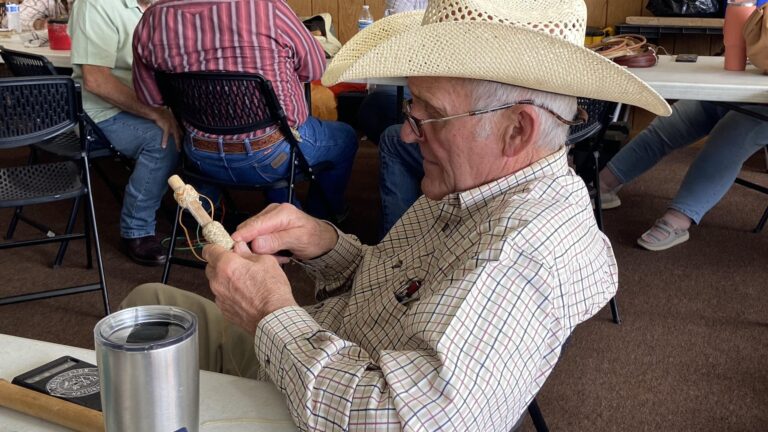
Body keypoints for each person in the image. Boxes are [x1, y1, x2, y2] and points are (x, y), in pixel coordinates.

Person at [122, 0, 671, 429]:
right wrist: (324, 242)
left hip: (322, 406)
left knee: (139, 354)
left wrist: (269, 312)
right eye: (412, 107)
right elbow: (399, 283)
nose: (407, 132)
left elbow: (400, 421)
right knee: (147, 308)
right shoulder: (476, 188)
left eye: (429, 114)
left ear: (517, 130)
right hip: (326, 354)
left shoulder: (522, 254)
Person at [131, 0, 358, 221]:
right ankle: (320, 219)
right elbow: (314, 69)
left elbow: (152, 97)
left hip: (200, 157)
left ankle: (209, 214)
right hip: (274, 156)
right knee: (345, 137)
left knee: (271, 152)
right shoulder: (270, 8)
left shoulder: (153, 18)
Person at [69, 0, 180, 266]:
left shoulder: (164, 6)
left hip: (148, 102)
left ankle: (198, 214)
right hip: (99, 111)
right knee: (163, 141)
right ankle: (137, 231)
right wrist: (156, 114)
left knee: (206, 129)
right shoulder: (95, 5)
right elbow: (96, 80)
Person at [598, 100, 768, 251]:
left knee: (732, 135)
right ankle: (603, 183)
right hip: (739, 89)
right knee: (672, 123)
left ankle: (679, 218)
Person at [356, 0, 427, 144]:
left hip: (443, 87)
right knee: (373, 111)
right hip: (403, 78)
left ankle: (402, 150)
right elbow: (395, 36)